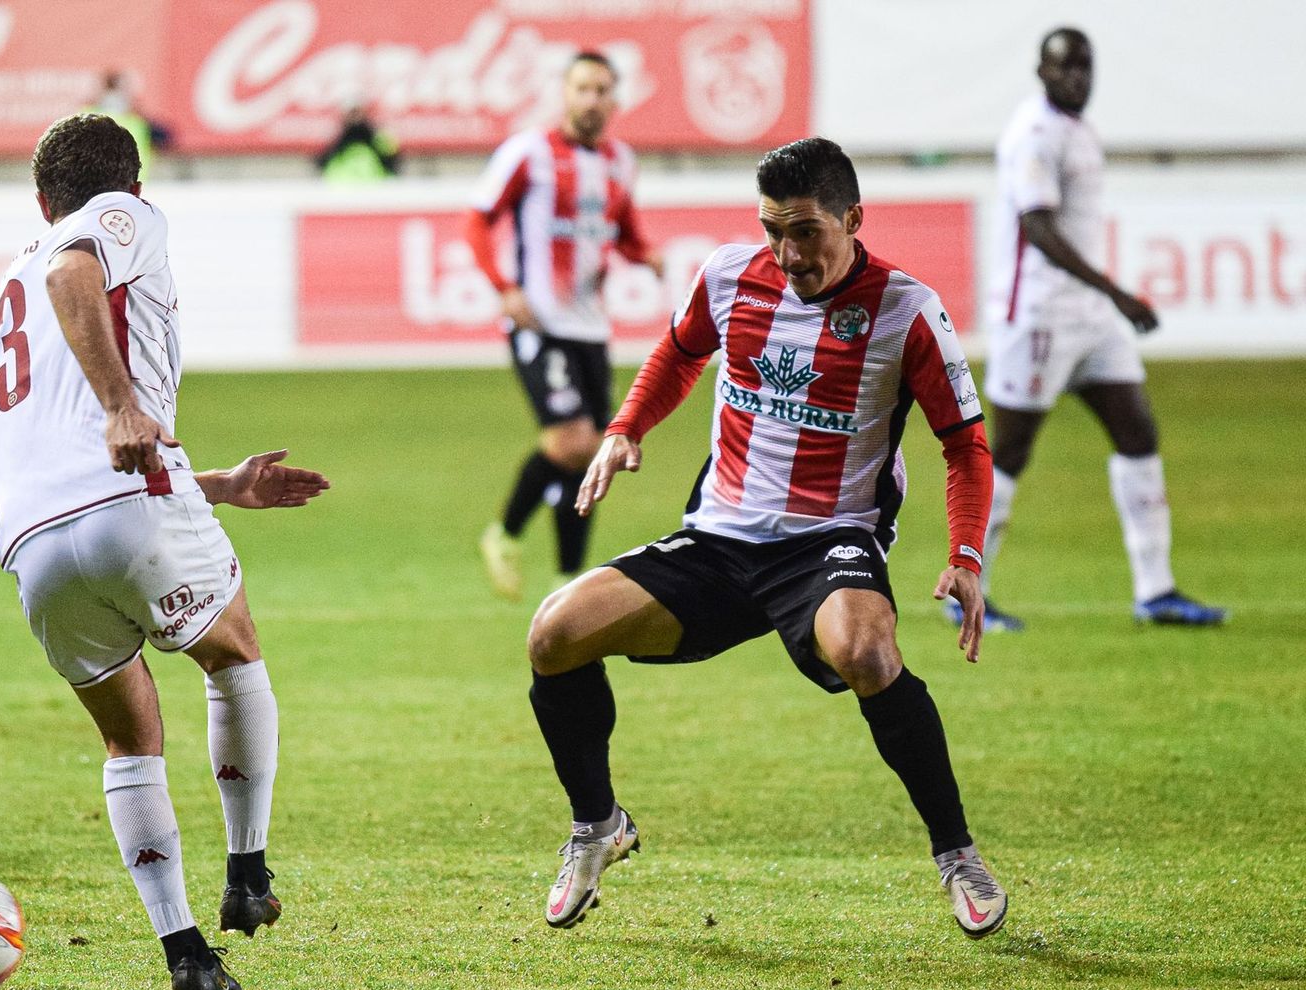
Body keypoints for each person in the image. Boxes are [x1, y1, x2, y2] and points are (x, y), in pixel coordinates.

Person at [525, 138, 1009, 940]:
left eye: (808, 232)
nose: (788, 253)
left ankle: (957, 854)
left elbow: (965, 444)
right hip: (718, 540)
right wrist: (626, 427)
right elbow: (678, 354)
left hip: (828, 545)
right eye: (773, 230)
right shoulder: (728, 276)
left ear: (853, 219)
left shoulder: (907, 309)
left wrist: (964, 554)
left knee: (866, 653)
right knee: (554, 633)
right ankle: (597, 825)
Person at [0, 114, 329, 990]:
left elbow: (56, 434)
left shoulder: (9, 282)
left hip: (33, 542)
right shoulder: (117, 223)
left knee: (128, 738)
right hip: (125, 499)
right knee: (234, 652)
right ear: (133, 187)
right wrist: (122, 407)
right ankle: (248, 872)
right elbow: (78, 271)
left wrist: (211, 482)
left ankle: (186, 955)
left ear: (38, 198)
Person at [968, 27, 1226, 631]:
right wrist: (1117, 292)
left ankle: (1156, 591)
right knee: (1008, 453)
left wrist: (1104, 302)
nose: (1079, 79)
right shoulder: (1032, 135)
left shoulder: (1078, 130)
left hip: (1089, 319)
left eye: (1086, 67)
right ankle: (966, 589)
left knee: (1137, 431)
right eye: (1067, 68)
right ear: (1042, 73)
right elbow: (1038, 228)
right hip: (1039, 317)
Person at [469, 51, 664, 601]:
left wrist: (643, 254)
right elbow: (478, 217)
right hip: (541, 323)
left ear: (615, 100)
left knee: (588, 455)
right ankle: (503, 533)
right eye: (582, 88)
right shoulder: (528, 153)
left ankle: (566, 579)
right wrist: (504, 287)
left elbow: (622, 229)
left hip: (591, 329)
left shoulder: (620, 162)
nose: (592, 99)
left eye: (602, 89)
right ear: (565, 93)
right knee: (574, 440)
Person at [85, 71, 170, 179]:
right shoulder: (86, 116)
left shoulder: (137, 120)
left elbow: (165, 136)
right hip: (99, 183)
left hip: (133, 182)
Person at [314, 104, 401, 183]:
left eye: (357, 112)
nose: (355, 118)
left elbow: (392, 160)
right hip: (342, 190)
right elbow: (322, 164)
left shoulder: (376, 137)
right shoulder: (336, 141)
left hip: (374, 188)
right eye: (352, 113)